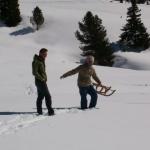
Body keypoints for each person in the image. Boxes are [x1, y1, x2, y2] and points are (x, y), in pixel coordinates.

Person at [32, 48, 54, 115]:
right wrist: (42, 79)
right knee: (48, 96)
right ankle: (50, 111)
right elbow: (34, 72)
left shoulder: (41, 60)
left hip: (41, 81)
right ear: (40, 53)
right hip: (40, 82)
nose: (46, 55)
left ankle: (39, 111)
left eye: (46, 54)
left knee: (40, 96)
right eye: (44, 54)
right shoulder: (36, 61)